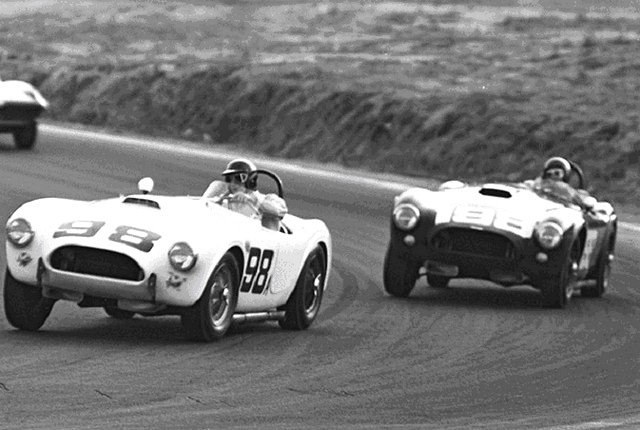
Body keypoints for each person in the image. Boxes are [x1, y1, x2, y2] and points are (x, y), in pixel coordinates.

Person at [203, 158, 288, 230]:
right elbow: (205, 204)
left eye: (238, 179)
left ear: (250, 181)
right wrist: (217, 201)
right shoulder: (225, 200)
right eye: (229, 179)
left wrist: (250, 199)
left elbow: (279, 211)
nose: (233, 184)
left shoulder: (267, 199)